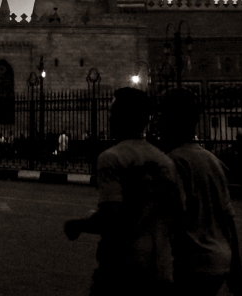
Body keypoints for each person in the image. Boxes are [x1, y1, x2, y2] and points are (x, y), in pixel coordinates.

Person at [64, 88, 184, 296]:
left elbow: (111, 216)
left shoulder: (112, 158)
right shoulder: (165, 162)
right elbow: (180, 215)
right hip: (161, 271)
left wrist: (78, 225)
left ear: (121, 117)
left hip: (123, 271)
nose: (109, 118)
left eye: (112, 113)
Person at [159, 88, 242, 296]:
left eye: (162, 116)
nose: (158, 123)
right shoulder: (212, 161)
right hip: (219, 262)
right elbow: (228, 219)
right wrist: (236, 268)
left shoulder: (174, 162)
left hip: (191, 266)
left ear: (174, 120)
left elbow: (174, 221)